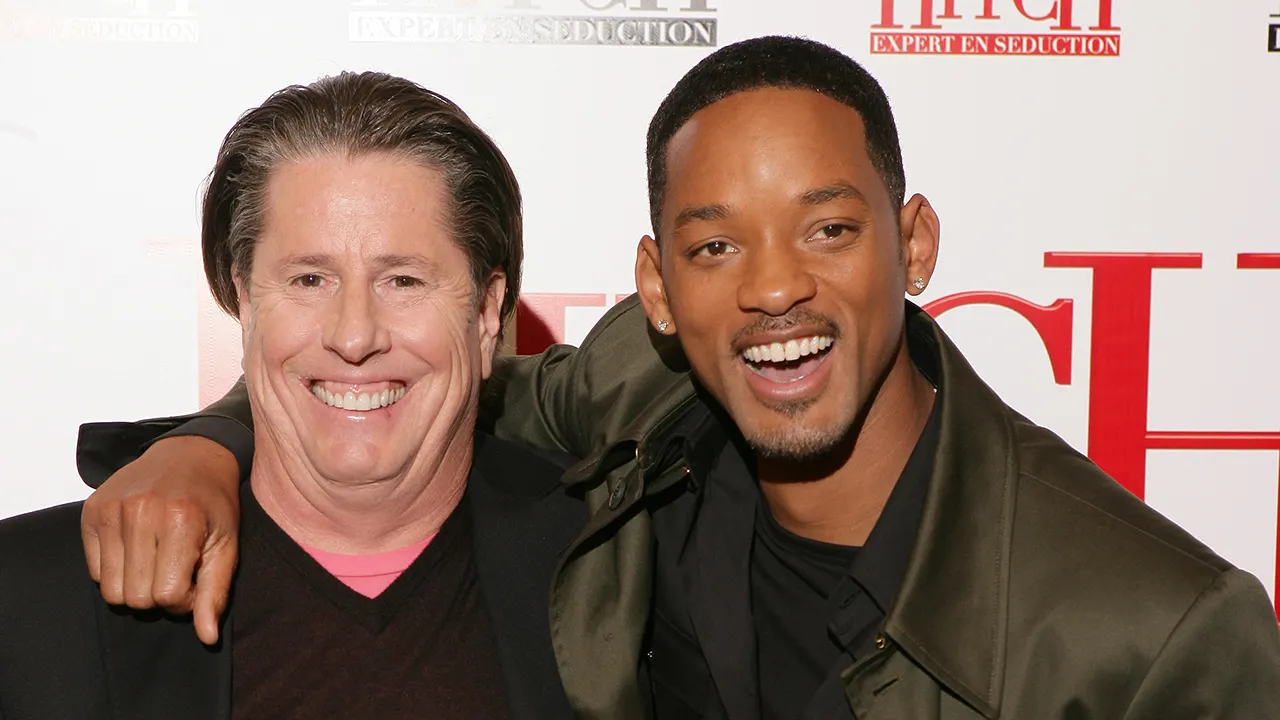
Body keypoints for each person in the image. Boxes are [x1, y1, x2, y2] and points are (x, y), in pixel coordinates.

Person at [72, 37, 1280, 719]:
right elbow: (393, 380)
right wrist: (205, 446)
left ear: (911, 244)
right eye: (713, 248)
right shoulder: (641, 401)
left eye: (827, 230)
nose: (772, 289)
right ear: (656, 287)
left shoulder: (1151, 631)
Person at [0, 71, 582, 720]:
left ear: (486, 314)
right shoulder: (28, 600)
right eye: (309, 279)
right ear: (247, 304)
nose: (354, 336)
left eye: (404, 281)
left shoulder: (612, 573)